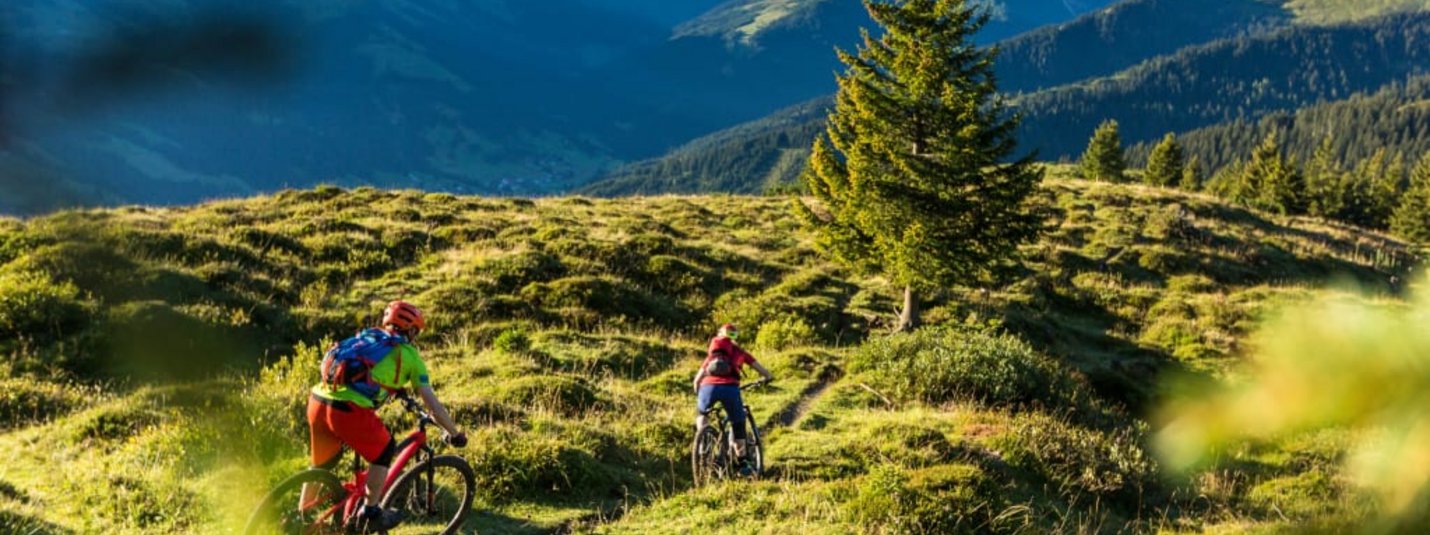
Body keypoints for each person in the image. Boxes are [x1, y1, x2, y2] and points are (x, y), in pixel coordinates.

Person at [302, 300, 467, 532]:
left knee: (322, 465)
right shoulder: (409, 355)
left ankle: (300, 516)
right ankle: (371, 512)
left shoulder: (369, 336)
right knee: (385, 449)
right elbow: (433, 406)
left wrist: (395, 387)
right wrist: (455, 433)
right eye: (416, 331)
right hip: (348, 410)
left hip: (317, 401)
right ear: (410, 330)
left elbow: (367, 372)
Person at [692, 323, 774, 477]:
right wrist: (768, 378)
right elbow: (764, 372)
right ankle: (742, 462)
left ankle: (703, 442)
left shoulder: (712, 355)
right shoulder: (740, 353)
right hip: (730, 389)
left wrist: (700, 395)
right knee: (738, 423)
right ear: (734, 337)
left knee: (702, 414)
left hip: (707, 388)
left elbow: (696, 381)